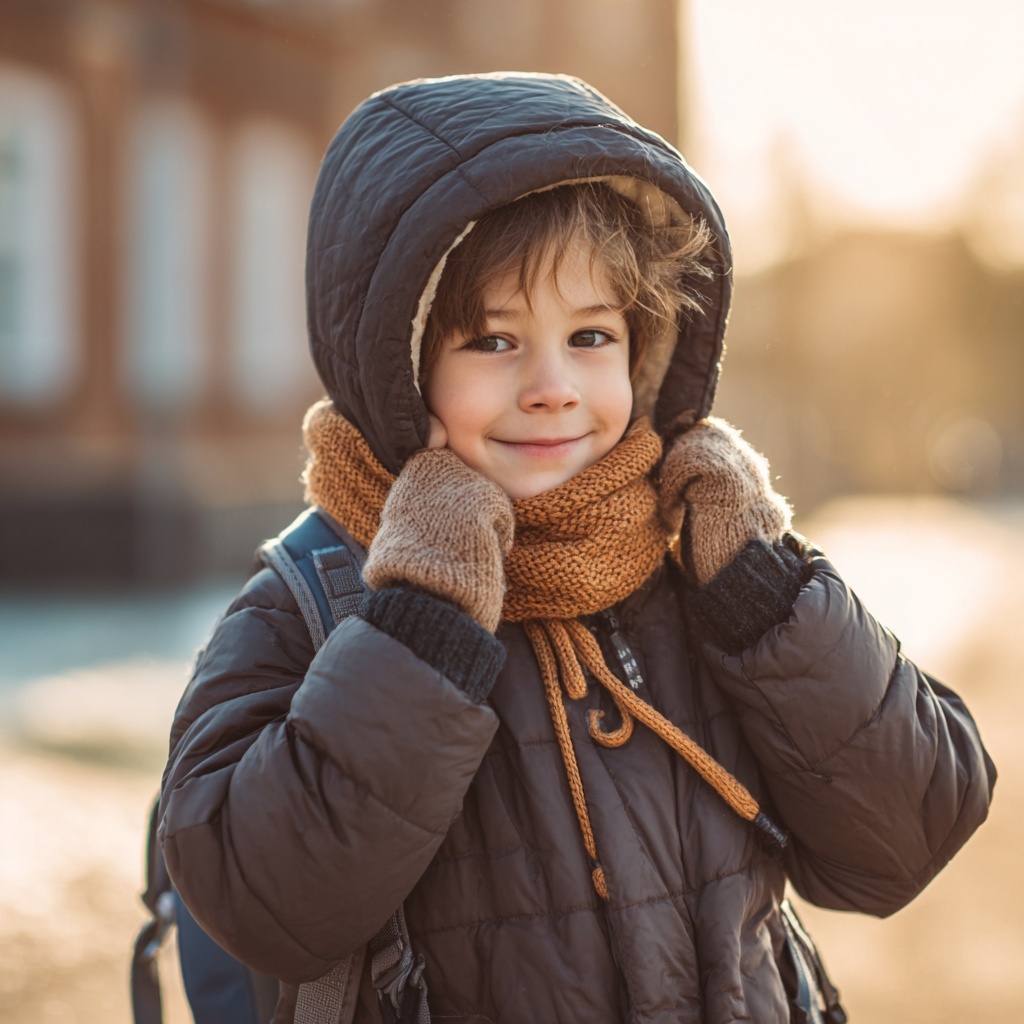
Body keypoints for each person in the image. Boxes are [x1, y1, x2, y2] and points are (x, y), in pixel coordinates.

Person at [158, 73, 996, 1024]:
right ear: (394, 364)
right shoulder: (316, 603)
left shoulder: (692, 563)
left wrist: (765, 591)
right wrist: (424, 615)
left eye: (590, 334)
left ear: (643, 351)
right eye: (492, 341)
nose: (553, 385)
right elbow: (262, 904)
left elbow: (907, 834)